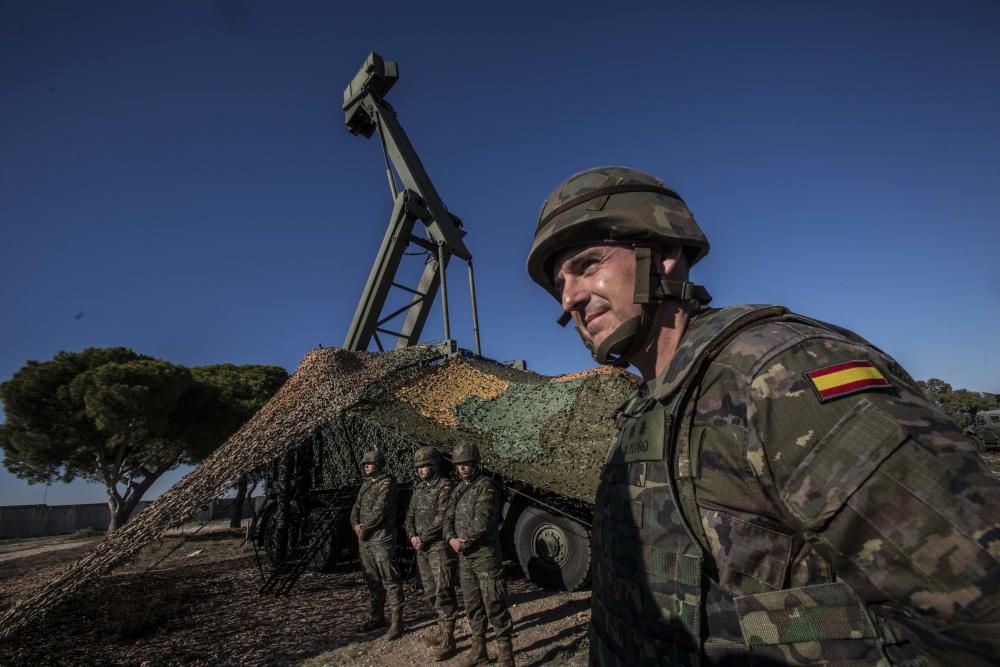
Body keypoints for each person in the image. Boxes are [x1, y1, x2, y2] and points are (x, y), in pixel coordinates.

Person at [526, 166, 1000, 666]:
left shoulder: (779, 375)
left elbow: (978, 612)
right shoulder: (645, 409)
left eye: (588, 264)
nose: (569, 298)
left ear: (663, 254)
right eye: (560, 283)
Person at [445, 443, 515, 667]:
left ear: (475, 464)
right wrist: (450, 539)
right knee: (472, 605)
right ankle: (479, 652)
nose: (462, 468)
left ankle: (506, 655)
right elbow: (447, 519)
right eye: (459, 465)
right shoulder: (457, 491)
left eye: (466, 464)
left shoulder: (487, 487)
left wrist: (463, 541)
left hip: (485, 555)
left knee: (494, 602)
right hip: (465, 558)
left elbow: (483, 521)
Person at [404, 445, 458, 660]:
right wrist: (412, 536)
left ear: (434, 465)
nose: (421, 470)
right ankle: (442, 627)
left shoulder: (445, 486)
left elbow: (442, 517)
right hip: (422, 549)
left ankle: (449, 639)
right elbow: (409, 517)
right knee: (430, 592)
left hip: (438, 548)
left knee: (444, 590)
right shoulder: (419, 490)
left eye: (425, 466)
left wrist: (423, 538)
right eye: (418, 467)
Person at [350, 448, 404, 640]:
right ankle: (377, 617)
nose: (365, 467)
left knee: (390, 578)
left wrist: (364, 526)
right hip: (365, 540)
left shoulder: (387, 483)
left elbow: (380, 510)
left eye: (369, 464)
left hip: (381, 539)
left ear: (378, 465)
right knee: (372, 579)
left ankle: (397, 622)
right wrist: (355, 524)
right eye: (364, 464)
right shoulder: (365, 485)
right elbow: (355, 508)